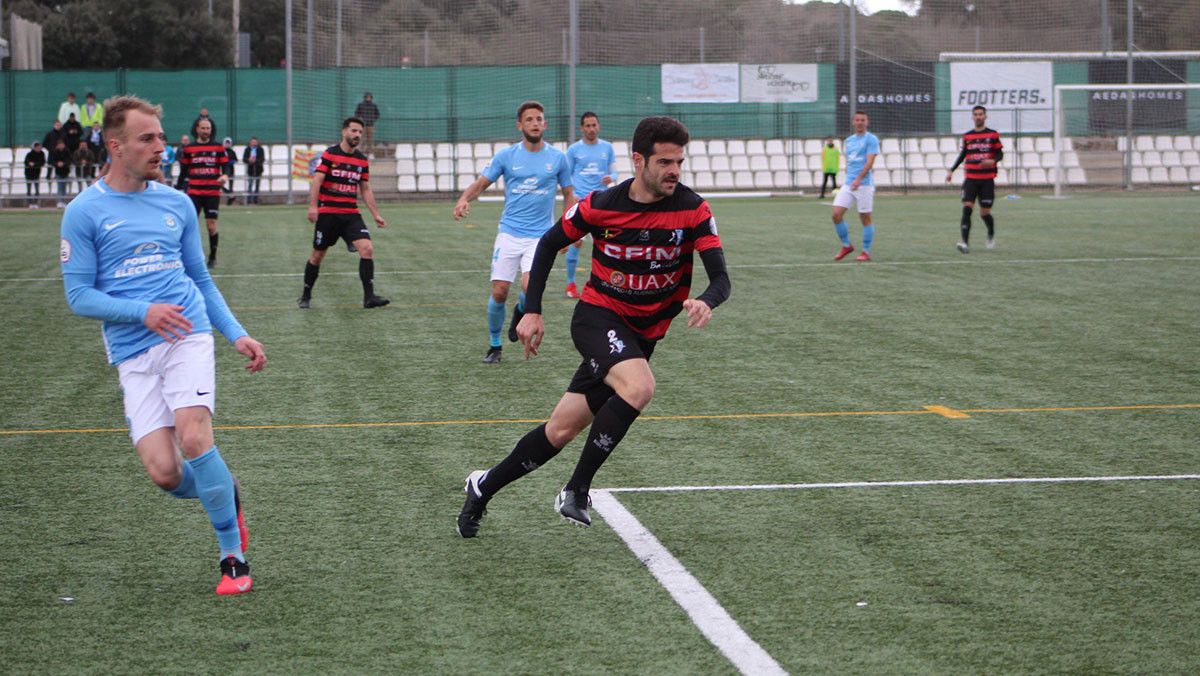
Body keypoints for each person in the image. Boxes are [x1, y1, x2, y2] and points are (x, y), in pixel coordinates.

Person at [456, 115, 731, 538]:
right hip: (597, 318)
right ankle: (577, 489)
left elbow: (721, 279)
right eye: (664, 162)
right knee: (640, 387)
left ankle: (483, 485)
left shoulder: (693, 209)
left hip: (643, 334)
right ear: (638, 160)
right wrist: (532, 309)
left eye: (679, 161)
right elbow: (549, 243)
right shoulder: (602, 204)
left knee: (561, 429)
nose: (674, 170)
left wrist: (706, 301)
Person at [58, 95, 265, 595]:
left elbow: (200, 280)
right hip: (132, 350)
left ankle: (231, 555)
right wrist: (142, 312)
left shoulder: (176, 203)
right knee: (166, 474)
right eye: (147, 139)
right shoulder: (83, 212)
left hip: (186, 335)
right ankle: (226, 496)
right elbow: (78, 295)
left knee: (195, 438)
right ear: (116, 146)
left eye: (161, 137)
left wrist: (235, 333)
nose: (160, 147)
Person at [453, 100, 576, 364]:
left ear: (545, 124)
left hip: (541, 236)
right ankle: (495, 346)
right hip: (509, 233)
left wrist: (568, 231)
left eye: (539, 119)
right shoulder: (506, 156)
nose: (535, 123)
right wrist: (464, 199)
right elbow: (482, 183)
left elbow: (569, 195)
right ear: (520, 125)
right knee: (499, 291)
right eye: (529, 119)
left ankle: (521, 309)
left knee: (529, 286)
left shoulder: (557, 158)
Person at [297, 117, 390, 309]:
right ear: (344, 132)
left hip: (351, 215)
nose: (357, 135)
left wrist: (376, 214)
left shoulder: (361, 161)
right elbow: (317, 181)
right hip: (328, 214)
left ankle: (369, 297)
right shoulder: (330, 155)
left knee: (367, 249)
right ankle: (306, 295)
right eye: (353, 131)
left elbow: (365, 189)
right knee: (317, 256)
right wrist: (313, 207)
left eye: (359, 133)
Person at [563, 111, 617, 299]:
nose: (591, 129)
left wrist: (613, 177)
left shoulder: (607, 148)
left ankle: (608, 283)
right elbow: (566, 177)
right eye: (588, 125)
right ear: (581, 128)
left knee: (607, 243)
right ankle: (570, 284)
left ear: (598, 126)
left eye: (594, 125)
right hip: (580, 201)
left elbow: (614, 171)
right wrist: (572, 197)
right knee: (576, 241)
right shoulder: (573, 150)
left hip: (602, 202)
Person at [946, 104, 1003, 253]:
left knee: (985, 213)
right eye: (975, 114)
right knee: (967, 208)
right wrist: (951, 170)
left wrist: (993, 161)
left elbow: (1000, 154)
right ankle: (965, 243)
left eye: (980, 114)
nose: (978, 117)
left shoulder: (993, 135)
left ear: (985, 116)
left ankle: (990, 235)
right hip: (970, 179)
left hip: (987, 180)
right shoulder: (968, 136)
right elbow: (963, 154)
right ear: (972, 117)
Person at [831, 111, 880, 262]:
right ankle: (846, 245)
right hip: (849, 184)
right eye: (857, 120)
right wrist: (849, 179)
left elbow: (869, 162)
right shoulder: (849, 141)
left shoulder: (871, 139)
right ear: (853, 122)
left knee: (865, 217)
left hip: (864, 185)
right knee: (836, 214)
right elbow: (851, 162)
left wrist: (859, 178)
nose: (860, 122)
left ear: (867, 122)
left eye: (862, 120)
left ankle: (866, 251)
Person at [178, 120, 228, 267]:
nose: (206, 131)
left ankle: (212, 257)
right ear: (197, 129)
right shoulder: (188, 149)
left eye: (208, 128)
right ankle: (189, 257)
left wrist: (225, 175)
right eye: (203, 128)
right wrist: (178, 189)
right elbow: (183, 171)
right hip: (194, 191)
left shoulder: (218, 147)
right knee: (189, 225)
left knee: (211, 225)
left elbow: (226, 166)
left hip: (212, 191)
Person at [353, 93, 380, 157]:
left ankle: (370, 153)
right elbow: (356, 113)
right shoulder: (360, 105)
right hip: (362, 125)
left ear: (371, 98)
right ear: (364, 97)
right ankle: (360, 153)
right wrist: (359, 120)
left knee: (370, 139)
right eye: (367, 97)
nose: (368, 98)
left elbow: (377, 114)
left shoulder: (374, 105)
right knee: (361, 138)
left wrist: (373, 119)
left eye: (369, 97)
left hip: (370, 125)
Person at [49, 138, 72, 208]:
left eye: (62, 145)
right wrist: (57, 164)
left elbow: (69, 160)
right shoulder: (54, 152)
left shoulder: (67, 151)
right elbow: (52, 161)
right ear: (57, 145)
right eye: (60, 145)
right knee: (59, 187)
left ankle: (64, 202)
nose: (61, 146)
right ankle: (59, 202)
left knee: (64, 187)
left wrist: (64, 163)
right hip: (58, 172)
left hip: (66, 172)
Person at [242, 137, 265, 205]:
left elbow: (262, 159)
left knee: (257, 186)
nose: (254, 143)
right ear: (250, 142)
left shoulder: (260, 149)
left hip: (258, 170)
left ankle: (255, 200)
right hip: (250, 170)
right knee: (250, 185)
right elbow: (244, 159)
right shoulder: (247, 149)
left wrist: (255, 161)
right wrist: (249, 160)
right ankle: (249, 201)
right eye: (253, 142)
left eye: (255, 142)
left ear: (257, 142)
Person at [44, 120, 65, 190]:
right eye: (56, 125)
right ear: (54, 125)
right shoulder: (50, 134)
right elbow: (44, 143)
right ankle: (48, 184)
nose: (58, 126)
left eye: (59, 125)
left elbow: (67, 143)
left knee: (61, 170)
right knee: (50, 169)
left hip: (61, 155)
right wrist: (51, 149)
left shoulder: (63, 134)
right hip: (52, 155)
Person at [23, 141, 46, 207]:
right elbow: (26, 162)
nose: (38, 148)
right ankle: (30, 203)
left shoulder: (42, 154)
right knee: (29, 190)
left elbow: (42, 162)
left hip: (36, 174)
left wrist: (34, 164)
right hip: (28, 174)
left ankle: (35, 203)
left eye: (39, 147)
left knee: (37, 190)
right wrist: (31, 164)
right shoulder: (29, 154)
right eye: (37, 147)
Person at [221, 137, 238, 205]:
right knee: (221, 184)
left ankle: (230, 199)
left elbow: (235, 159)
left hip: (231, 170)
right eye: (226, 143)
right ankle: (230, 195)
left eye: (229, 143)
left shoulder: (232, 151)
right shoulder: (222, 151)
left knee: (231, 185)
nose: (227, 144)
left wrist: (231, 162)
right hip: (224, 170)